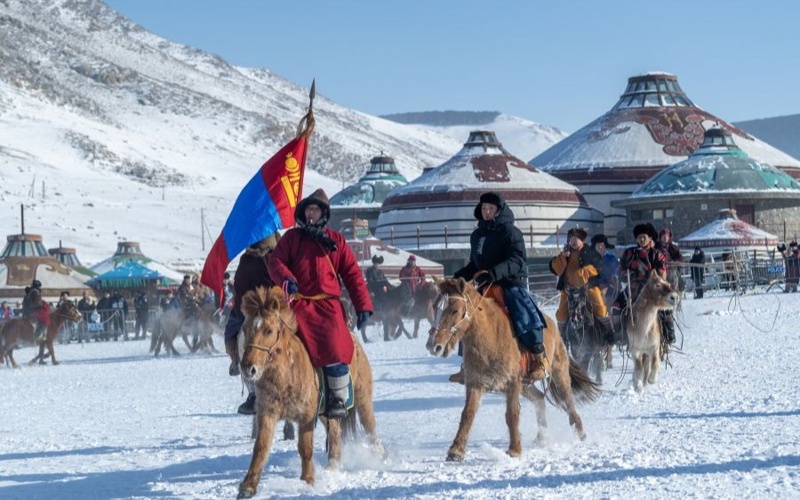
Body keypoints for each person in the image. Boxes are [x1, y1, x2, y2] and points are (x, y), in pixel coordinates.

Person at [268, 188, 373, 419]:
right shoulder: (291, 239)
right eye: (308, 209)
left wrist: (362, 305)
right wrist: (287, 279)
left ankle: (336, 397)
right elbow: (275, 261)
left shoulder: (336, 241)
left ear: (324, 213)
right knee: (273, 341)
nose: (311, 214)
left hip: (328, 307)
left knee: (335, 344)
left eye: (315, 209)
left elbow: (352, 274)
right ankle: (271, 393)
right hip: (298, 305)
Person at [452, 191, 548, 382]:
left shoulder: (510, 232)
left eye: (490, 208)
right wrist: (458, 277)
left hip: (509, 282)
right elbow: (474, 264)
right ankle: (467, 365)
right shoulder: (477, 236)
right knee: (467, 316)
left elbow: (517, 260)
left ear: (499, 210)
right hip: (485, 285)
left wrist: (494, 273)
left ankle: (539, 358)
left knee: (521, 309)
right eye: (484, 208)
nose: (487, 211)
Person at [224, 234, 279, 415]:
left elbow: (240, 287)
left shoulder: (254, 259)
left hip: (265, 308)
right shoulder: (277, 254)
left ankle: (239, 367)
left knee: (232, 334)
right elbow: (240, 286)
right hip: (258, 307)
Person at [550, 228, 614, 344]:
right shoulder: (565, 253)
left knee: (599, 307)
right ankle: (561, 338)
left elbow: (599, 266)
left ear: (582, 240)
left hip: (588, 287)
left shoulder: (589, 251)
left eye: (577, 239)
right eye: (571, 239)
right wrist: (562, 257)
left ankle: (609, 332)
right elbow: (555, 268)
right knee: (561, 314)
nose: (574, 241)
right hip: (568, 288)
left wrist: (585, 272)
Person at [617, 222, 670, 340]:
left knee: (665, 308)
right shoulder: (629, 253)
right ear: (636, 238)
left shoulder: (657, 254)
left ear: (649, 238)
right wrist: (628, 274)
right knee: (616, 307)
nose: (641, 239)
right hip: (633, 288)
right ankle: (622, 334)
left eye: (644, 237)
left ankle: (667, 333)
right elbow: (621, 269)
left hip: (653, 290)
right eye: (639, 237)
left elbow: (662, 272)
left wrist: (653, 277)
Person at [655, 227, 683, 344]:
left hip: (671, 274)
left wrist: (676, 262)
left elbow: (680, 258)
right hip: (659, 274)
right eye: (663, 235)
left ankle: (670, 330)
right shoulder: (656, 248)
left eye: (667, 236)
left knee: (672, 292)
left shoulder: (673, 248)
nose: (665, 237)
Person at [591, 233, 620, 305]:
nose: (600, 247)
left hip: (609, 285)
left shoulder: (611, 258)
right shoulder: (591, 259)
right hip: (594, 286)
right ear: (594, 246)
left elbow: (617, 268)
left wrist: (614, 276)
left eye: (602, 245)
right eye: (598, 245)